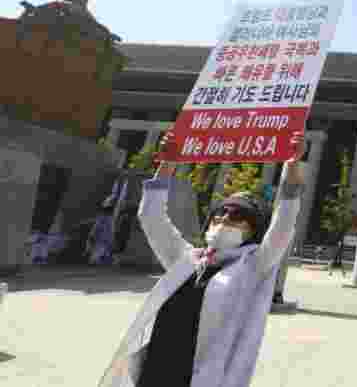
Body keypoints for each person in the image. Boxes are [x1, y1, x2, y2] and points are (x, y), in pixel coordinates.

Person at [98, 130, 307, 387]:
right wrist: (168, 164)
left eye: (237, 217)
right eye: (220, 215)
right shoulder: (187, 259)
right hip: (156, 369)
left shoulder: (253, 266)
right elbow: (151, 217)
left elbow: (284, 223)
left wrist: (292, 165)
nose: (224, 221)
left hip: (202, 377)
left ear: (254, 231)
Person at [87, 198, 117, 265]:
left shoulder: (110, 219)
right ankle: (100, 259)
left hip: (106, 242)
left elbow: (111, 232)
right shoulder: (102, 219)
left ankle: (104, 259)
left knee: (104, 256)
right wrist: (92, 236)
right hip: (101, 242)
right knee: (95, 259)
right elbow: (95, 229)